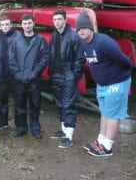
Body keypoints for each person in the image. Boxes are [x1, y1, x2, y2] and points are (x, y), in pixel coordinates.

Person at [76, 12, 132, 157]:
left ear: (90, 28)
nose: (81, 31)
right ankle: (101, 140)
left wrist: (124, 72)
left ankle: (107, 146)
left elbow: (124, 60)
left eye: (84, 27)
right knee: (105, 112)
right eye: (78, 29)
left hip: (117, 82)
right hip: (102, 84)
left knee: (113, 114)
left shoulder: (103, 42)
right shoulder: (82, 42)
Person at [48, 9, 85, 148]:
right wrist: (51, 72)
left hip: (69, 75)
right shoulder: (54, 36)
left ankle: (69, 136)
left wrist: (74, 75)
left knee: (69, 104)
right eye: (55, 20)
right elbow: (51, 56)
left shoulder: (73, 35)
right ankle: (64, 130)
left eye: (59, 19)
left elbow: (80, 57)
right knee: (60, 103)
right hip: (56, 74)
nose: (57, 22)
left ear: (65, 19)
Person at [9, 14, 49, 139]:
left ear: (33, 24)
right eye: (25, 23)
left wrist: (35, 72)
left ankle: (35, 128)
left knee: (35, 104)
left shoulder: (40, 40)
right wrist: (17, 73)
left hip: (34, 79)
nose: (27, 26)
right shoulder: (16, 40)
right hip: (19, 79)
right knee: (19, 104)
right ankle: (21, 127)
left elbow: (45, 57)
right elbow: (11, 58)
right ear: (21, 25)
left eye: (29, 23)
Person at [0, 14, 20, 130]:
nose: (5, 27)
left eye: (7, 24)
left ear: (11, 25)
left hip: (15, 74)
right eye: (2, 25)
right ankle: (3, 122)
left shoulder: (18, 36)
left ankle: (19, 124)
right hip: (2, 74)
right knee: (2, 99)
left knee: (18, 100)